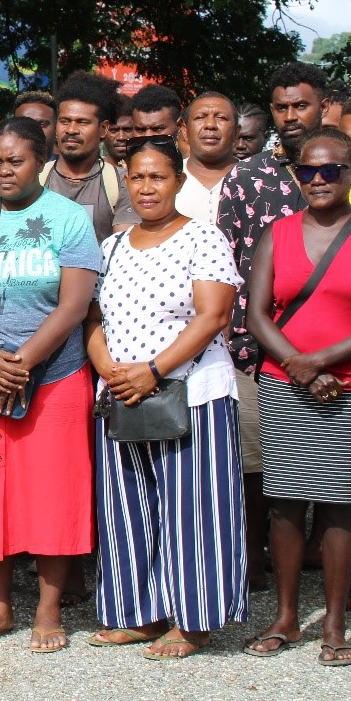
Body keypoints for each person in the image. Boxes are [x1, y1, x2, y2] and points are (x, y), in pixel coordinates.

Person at [85, 135, 246, 660]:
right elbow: (93, 317)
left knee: (194, 510)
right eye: (138, 177)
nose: (147, 187)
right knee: (127, 509)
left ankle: (195, 620)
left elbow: (213, 316)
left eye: (158, 176)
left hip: (189, 393)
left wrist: (154, 370)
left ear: (178, 181)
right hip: (123, 395)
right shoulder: (111, 246)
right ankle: (139, 613)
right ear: (126, 181)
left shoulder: (204, 239)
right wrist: (107, 367)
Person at [0, 118, 102, 653]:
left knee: (51, 491)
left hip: (54, 375)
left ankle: (49, 607)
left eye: (15, 161)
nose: (2, 172)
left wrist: (24, 362)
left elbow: (75, 304)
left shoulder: (69, 219)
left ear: (42, 160)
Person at [244, 128, 351, 665]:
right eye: (307, 171)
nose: (317, 180)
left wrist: (323, 362)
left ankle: (334, 621)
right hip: (287, 385)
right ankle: (286, 616)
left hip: (347, 389)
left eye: (330, 170)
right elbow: (256, 314)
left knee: (339, 508)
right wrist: (302, 369)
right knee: (285, 504)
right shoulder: (278, 232)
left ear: (348, 175)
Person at [217, 64, 326, 588]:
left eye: (299, 105)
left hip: (337, 345)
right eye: (280, 107)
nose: (289, 117)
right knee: (260, 466)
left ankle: (328, 569)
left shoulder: (341, 171)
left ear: (323, 106)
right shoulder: (248, 176)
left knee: (337, 473)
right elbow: (227, 259)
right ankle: (256, 563)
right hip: (258, 347)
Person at [45, 74, 137, 242]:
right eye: (65, 121)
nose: (71, 130)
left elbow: (123, 247)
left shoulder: (122, 182)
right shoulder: (37, 179)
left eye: (82, 122)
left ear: (103, 129)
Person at [175, 92, 238, 224]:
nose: (210, 125)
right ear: (184, 131)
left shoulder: (255, 179)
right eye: (200, 117)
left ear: (236, 133)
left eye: (221, 117)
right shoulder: (168, 179)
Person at [105, 94, 135, 170]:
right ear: (103, 131)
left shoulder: (151, 171)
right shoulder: (89, 173)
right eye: (114, 130)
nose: (121, 137)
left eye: (127, 129)